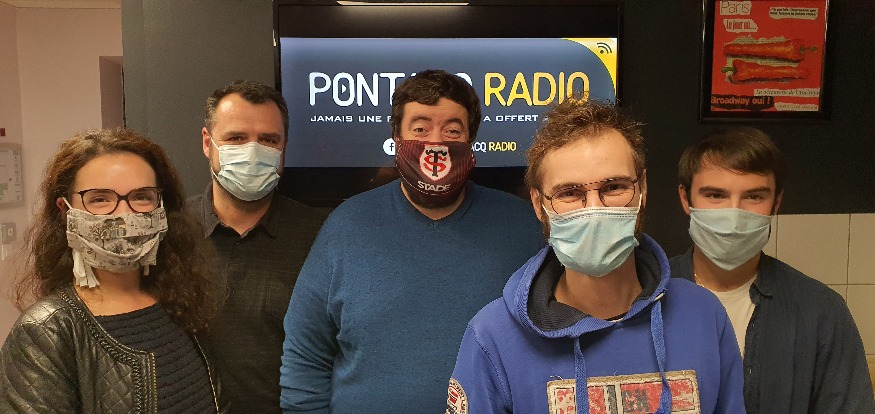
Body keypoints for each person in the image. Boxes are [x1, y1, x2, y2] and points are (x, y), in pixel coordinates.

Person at [447, 99, 744, 413]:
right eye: (569, 193)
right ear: (538, 204)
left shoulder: (704, 316)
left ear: (642, 189)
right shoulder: (494, 337)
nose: (594, 209)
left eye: (614, 187)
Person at [279, 69, 545, 412]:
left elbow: (553, 346)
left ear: (471, 141)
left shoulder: (522, 227)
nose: (435, 142)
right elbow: (305, 356)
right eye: (420, 129)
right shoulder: (346, 226)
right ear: (397, 138)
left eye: (452, 131)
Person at [0, 128, 226, 413]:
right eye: (100, 199)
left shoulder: (180, 301)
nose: (124, 214)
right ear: (65, 211)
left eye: (141, 196)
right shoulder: (46, 332)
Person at [671, 127, 874, 413]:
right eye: (715, 195)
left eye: (754, 197)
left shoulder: (820, 312)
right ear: (685, 199)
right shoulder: (647, 299)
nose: (734, 214)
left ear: (776, 203)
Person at [189, 80, 326, 413]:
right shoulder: (171, 232)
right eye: (236, 138)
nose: (252, 151)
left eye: (268, 140)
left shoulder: (322, 234)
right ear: (207, 143)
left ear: (284, 147)